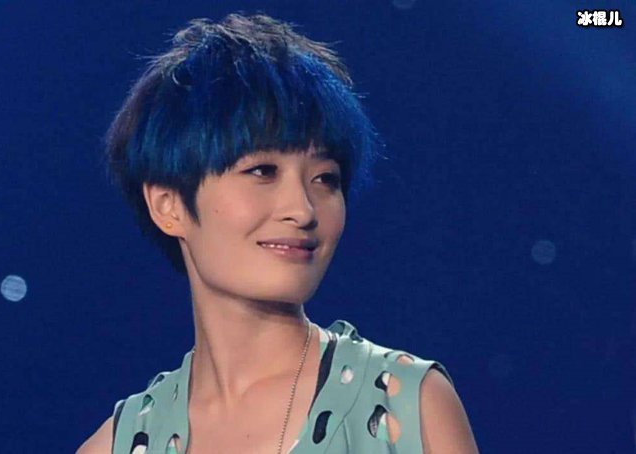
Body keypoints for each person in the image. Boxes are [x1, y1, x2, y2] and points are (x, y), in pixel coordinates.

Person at [77, 12, 478, 454]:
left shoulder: (406, 407)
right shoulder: (119, 445)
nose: (302, 210)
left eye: (325, 179)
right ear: (168, 205)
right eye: (262, 171)